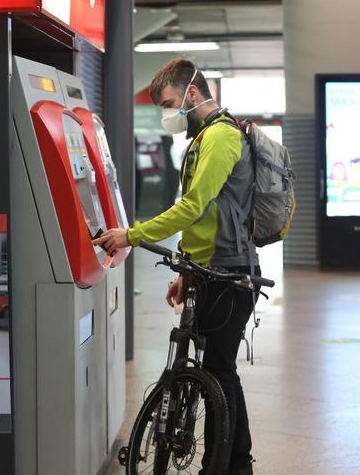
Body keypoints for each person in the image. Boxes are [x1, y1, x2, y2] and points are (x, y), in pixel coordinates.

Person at [95, 59, 259, 475]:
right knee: (219, 372)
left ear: (192, 93)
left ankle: (223, 466)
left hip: (230, 271)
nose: (168, 114)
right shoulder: (200, 140)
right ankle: (235, 464)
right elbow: (205, 220)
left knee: (219, 372)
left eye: (169, 103)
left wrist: (131, 234)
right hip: (210, 270)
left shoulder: (221, 137)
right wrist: (186, 271)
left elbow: (192, 206)